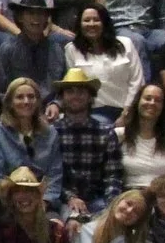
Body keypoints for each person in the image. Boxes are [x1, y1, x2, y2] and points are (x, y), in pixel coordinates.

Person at [48, 67, 125, 219]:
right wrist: (70, 197)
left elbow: (113, 175)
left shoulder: (106, 132)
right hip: (62, 200)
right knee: (71, 223)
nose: (75, 96)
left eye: (81, 91)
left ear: (90, 97)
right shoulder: (52, 133)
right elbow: (51, 175)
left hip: (99, 198)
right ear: (62, 97)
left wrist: (111, 205)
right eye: (70, 91)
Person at [0, 77, 62, 211]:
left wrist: (44, 202)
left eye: (31, 97)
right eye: (20, 97)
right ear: (9, 103)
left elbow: (55, 175)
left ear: (38, 102)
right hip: (7, 205)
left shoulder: (50, 133)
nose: (26, 101)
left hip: (43, 204)